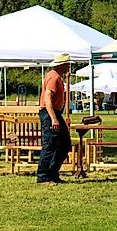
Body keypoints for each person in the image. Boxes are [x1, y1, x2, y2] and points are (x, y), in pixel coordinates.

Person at [37, 52, 72, 185]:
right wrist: (53, 118)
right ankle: (42, 177)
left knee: (63, 144)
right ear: (62, 65)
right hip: (50, 113)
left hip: (54, 113)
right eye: (67, 64)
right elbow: (47, 98)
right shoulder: (54, 77)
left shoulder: (56, 76)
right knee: (50, 144)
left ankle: (52, 173)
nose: (69, 67)